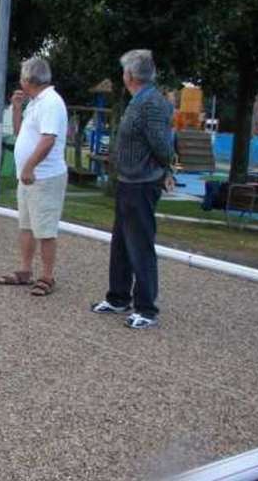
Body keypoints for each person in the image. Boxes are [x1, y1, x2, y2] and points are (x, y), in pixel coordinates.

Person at [91, 49, 174, 329]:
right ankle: (118, 296)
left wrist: (165, 171)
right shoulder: (138, 101)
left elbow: (163, 145)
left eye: (123, 71)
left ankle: (146, 308)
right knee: (121, 243)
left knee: (140, 245)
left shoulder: (151, 103)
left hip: (142, 182)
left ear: (130, 75)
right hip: (128, 181)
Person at [0, 57, 68, 296]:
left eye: (21, 77)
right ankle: (25, 270)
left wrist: (29, 167)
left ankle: (47, 276)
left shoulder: (51, 102)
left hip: (45, 177)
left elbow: (49, 139)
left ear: (28, 79)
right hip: (29, 177)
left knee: (45, 228)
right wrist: (17, 109)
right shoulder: (35, 102)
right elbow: (21, 134)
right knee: (26, 225)